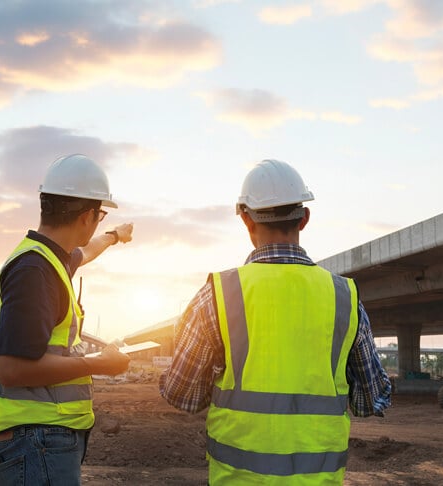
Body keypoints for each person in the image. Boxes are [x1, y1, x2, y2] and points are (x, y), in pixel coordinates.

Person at [159, 159, 392, 485]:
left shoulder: (219, 294)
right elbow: (372, 399)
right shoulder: (344, 297)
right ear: (304, 218)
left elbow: (181, 394)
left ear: (245, 219)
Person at [0, 153, 133, 485]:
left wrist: (114, 235)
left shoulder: (51, 259)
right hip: (37, 439)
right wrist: (99, 363)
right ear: (86, 216)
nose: (98, 222)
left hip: (43, 439)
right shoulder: (34, 271)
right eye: (99, 215)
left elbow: (89, 250)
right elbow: (11, 369)